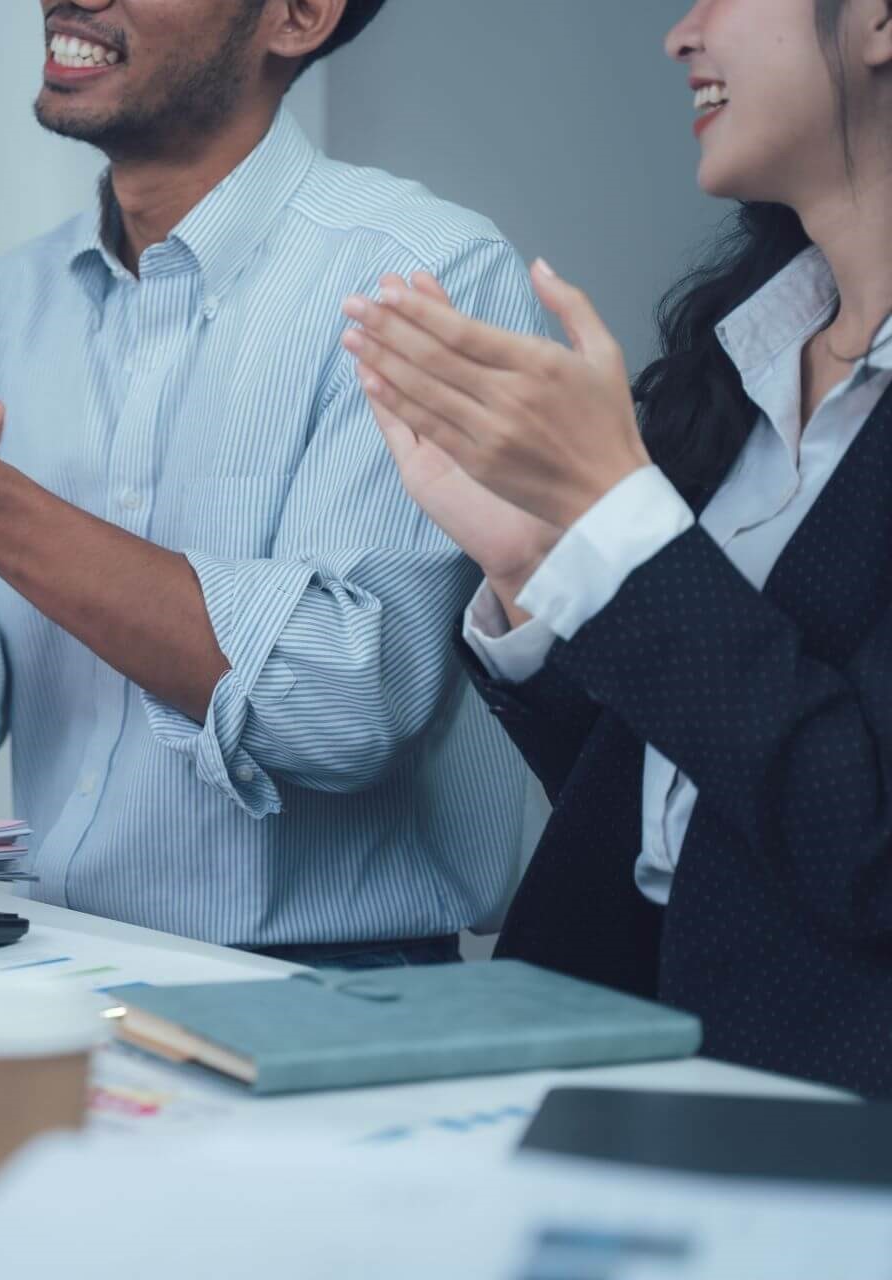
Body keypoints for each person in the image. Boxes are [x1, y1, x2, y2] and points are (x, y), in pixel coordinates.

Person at [0, 0, 541, 966]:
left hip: (326, 998)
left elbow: (340, 709)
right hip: (46, 968)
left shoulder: (425, 276)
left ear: (298, 16)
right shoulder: (10, 301)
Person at [341, 0, 892, 1093]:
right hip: (611, 1063)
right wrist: (537, 565)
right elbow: (681, 784)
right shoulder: (740, 358)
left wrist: (618, 523)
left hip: (819, 1130)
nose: (679, 36)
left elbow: (864, 846)